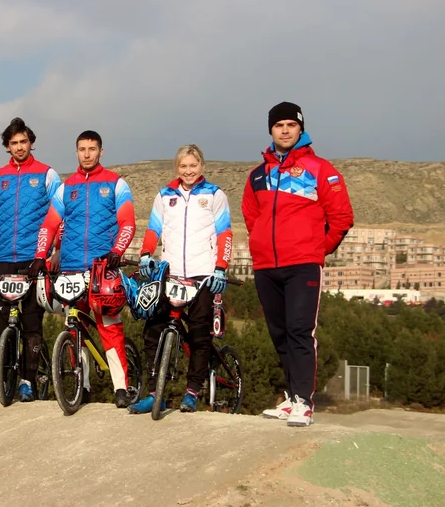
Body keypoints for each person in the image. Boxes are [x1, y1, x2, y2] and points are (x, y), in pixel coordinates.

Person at [242, 101, 354, 427]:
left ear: (301, 129)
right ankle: (290, 398)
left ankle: (304, 402)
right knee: (279, 334)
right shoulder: (258, 175)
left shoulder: (320, 168)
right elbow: (252, 217)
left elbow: (342, 217)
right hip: (266, 266)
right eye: (279, 125)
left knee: (299, 331)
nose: (286, 130)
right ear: (271, 130)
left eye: (292, 125)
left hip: (303, 264)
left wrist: (318, 248)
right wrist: (260, 244)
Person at [33, 130, 136, 408]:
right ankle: (84, 385)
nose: (87, 154)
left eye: (92, 149)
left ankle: (121, 387)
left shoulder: (116, 184)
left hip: (103, 268)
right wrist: (41, 255)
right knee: (73, 324)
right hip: (70, 270)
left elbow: (127, 223)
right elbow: (49, 225)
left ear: (101, 151)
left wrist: (117, 252)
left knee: (109, 327)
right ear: (76, 151)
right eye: (82, 149)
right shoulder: (66, 188)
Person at [128, 144, 233, 414]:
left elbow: (225, 234)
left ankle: (192, 392)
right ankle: (155, 393)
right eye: (183, 166)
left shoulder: (215, 195)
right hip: (170, 272)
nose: (188, 171)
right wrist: (145, 254)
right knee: (153, 331)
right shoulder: (165, 195)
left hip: (204, 274)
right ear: (177, 168)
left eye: (193, 166)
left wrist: (221, 267)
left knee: (199, 335)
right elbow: (154, 228)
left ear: (202, 167)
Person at [0, 117, 61, 403]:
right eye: (14, 143)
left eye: (23, 142)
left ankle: (27, 381)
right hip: (3, 259)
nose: (19, 147)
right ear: (7, 147)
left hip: (36, 258)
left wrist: (55, 251)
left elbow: (61, 213)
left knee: (31, 322)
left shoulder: (48, 174)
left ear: (30, 143)